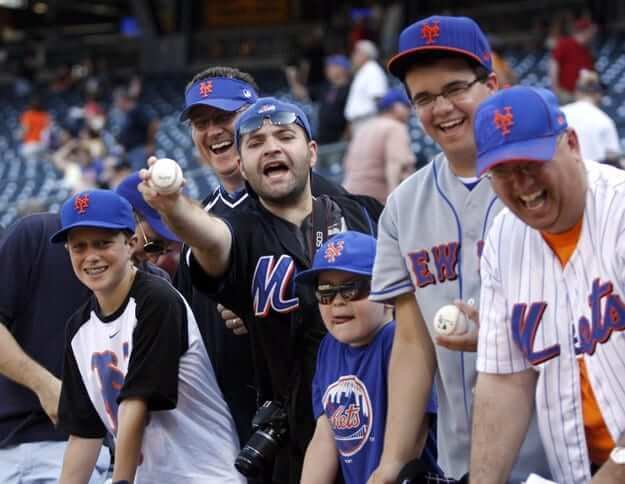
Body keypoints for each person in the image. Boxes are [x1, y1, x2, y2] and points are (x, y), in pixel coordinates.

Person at [140, 97, 381, 483]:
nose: (271, 147)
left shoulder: (365, 214)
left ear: (312, 152)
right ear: (242, 165)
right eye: (255, 142)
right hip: (299, 441)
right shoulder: (240, 231)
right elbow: (209, 237)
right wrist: (173, 207)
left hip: (382, 419)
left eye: (285, 136)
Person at [366, 15, 549, 483]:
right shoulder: (404, 205)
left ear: (491, 84)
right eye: (424, 98)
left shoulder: (543, 185)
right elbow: (412, 343)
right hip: (461, 459)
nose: (441, 108)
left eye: (454, 88)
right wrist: (391, 462)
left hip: (556, 453)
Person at [470, 85, 625, 484]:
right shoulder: (503, 239)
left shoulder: (620, 211)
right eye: (502, 170)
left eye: (530, 162)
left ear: (571, 144)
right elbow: (504, 379)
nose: (521, 183)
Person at [52, 189, 243, 484]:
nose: (91, 256)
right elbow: (84, 434)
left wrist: (121, 482)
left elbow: (135, 406)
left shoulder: (157, 300)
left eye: (103, 244)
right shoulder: (78, 328)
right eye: (79, 247)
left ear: (130, 244)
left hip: (204, 475)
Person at [297, 231, 439, 484]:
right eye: (326, 292)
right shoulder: (328, 348)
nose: (337, 302)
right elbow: (325, 436)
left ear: (388, 293)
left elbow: (416, 431)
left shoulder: (401, 342)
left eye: (351, 289)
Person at [0, 212, 108, 483]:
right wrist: (45, 384)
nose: (154, 254)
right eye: (78, 246)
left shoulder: (154, 290)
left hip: (76, 447)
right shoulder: (35, 235)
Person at [342, 87, 415, 203]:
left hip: (351, 199)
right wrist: (395, 202)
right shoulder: (395, 127)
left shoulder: (364, 128)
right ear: (396, 107)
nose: (410, 111)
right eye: (406, 106)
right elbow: (396, 164)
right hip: (376, 202)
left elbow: (347, 164)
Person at [116, 171, 182, 279]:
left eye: (163, 251)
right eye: (152, 244)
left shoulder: (158, 280)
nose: (153, 260)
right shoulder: (82, 269)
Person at [560, 69, 621, 164]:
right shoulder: (604, 119)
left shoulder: (560, 114)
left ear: (577, 92)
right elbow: (613, 156)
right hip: (594, 174)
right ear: (598, 94)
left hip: (565, 172)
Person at [344, 40, 388, 133]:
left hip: (368, 121)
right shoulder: (364, 70)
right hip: (359, 122)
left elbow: (378, 98)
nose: (353, 56)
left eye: (356, 52)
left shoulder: (373, 70)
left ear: (365, 55)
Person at [550, 17, 596, 103]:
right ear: (584, 31)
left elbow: (591, 74)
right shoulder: (565, 43)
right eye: (590, 31)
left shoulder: (587, 50)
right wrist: (555, 87)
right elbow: (554, 64)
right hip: (565, 93)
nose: (592, 35)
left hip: (582, 94)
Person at [316, 55, 352, 145]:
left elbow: (351, 116)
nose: (327, 70)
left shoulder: (351, 89)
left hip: (339, 142)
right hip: (323, 139)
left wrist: (345, 138)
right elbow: (302, 94)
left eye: (331, 67)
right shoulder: (326, 87)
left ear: (342, 69)